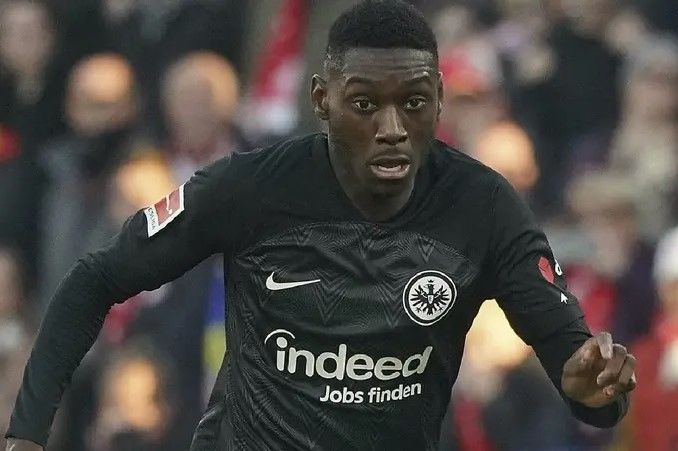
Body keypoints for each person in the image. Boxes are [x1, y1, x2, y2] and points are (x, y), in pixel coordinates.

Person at [5, 1, 636, 450]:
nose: (392, 128)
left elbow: (584, 376)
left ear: (440, 100)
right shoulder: (249, 187)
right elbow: (94, 280)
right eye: (364, 103)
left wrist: (594, 391)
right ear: (320, 100)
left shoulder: (484, 206)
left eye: (414, 103)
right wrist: (28, 434)